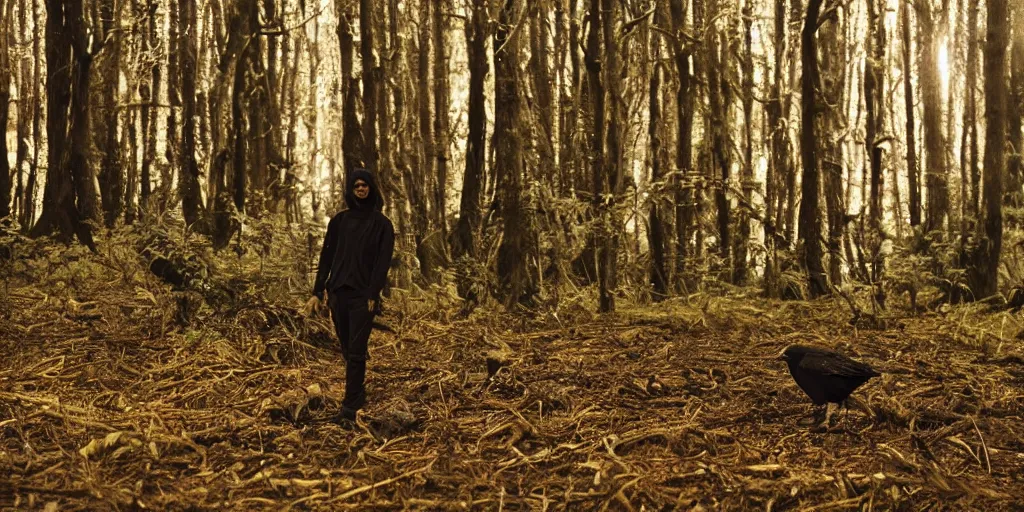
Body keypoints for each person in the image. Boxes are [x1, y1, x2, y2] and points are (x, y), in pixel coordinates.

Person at [308, 168, 395, 424]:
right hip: (338, 293)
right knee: (347, 348)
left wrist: (373, 293)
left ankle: (351, 407)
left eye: (365, 185)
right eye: (356, 185)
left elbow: (382, 262)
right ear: (351, 189)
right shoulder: (339, 221)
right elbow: (326, 256)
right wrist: (318, 290)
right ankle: (357, 389)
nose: (361, 189)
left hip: (363, 296)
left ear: (371, 189)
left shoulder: (382, 224)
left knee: (356, 351)